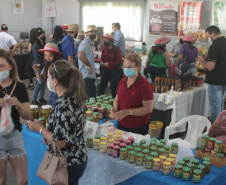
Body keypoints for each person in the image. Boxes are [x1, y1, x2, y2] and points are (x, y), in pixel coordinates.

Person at [28, 60, 88, 185]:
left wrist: (40, 129)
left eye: (49, 78)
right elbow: (65, 129)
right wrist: (48, 134)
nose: (48, 81)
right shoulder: (73, 98)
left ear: (55, 81)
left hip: (68, 163)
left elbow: (60, 143)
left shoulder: (65, 105)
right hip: (78, 157)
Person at [0, 49, 31, 185]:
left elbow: (28, 116)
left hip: (15, 136)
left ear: (10, 66)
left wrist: (18, 105)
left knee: (23, 180)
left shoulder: (20, 87)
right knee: (1, 180)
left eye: (2, 66)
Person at [110, 53, 153, 135]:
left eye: (130, 67)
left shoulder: (145, 85)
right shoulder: (122, 81)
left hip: (138, 127)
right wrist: (115, 108)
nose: (126, 69)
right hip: (122, 124)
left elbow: (148, 109)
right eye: (124, 67)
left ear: (138, 67)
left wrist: (129, 112)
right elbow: (116, 99)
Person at [199, 26, 226, 124]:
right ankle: (221, 125)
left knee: (215, 106)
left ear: (213, 34)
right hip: (224, 79)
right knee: (220, 104)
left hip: (215, 81)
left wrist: (203, 61)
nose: (209, 38)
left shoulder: (215, 46)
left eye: (208, 36)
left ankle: (214, 128)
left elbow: (210, 67)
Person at [33, 43, 62, 107]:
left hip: (60, 93)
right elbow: (40, 81)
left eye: (50, 56)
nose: (47, 58)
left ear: (55, 55)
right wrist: (37, 71)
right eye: (45, 55)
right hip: (52, 93)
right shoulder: (46, 65)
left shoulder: (60, 65)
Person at [98, 33, 123, 98]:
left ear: (110, 41)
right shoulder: (104, 48)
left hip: (114, 71)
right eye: (103, 41)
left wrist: (109, 64)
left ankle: (115, 103)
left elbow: (119, 60)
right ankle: (99, 103)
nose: (104, 42)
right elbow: (102, 58)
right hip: (105, 70)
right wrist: (102, 62)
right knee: (102, 87)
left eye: (105, 41)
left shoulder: (116, 49)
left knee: (114, 88)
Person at [78, 25, 97, 98]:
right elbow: (80, 55)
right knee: (89, 98)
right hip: (87, 75)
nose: (93, 33)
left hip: (89, 75)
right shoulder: (86, 43)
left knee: (91, 97)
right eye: (91, 32)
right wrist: (89, 65)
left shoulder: (90, 43)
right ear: (87, 33)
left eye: (94, 32)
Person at [31, 29, 47, 105]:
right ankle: (34, 99)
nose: (43, 37)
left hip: (43, 64)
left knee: (43, 82)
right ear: (38, 36)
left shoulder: (42, 44)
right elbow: (36, 56)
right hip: (38, 65)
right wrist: (38, 65)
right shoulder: (36, 45)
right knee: (39, 82)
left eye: (44, 36)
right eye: (42, 36)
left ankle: (41, 98)